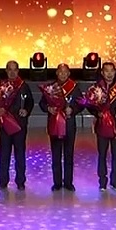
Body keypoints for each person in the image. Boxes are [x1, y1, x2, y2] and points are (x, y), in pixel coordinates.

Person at [38, 63, 82, 191]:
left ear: (69, 74)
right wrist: (48, 108)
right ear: (57, 73)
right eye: (60, 72)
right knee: (56, 155)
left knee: (69, 155)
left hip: (69, 125)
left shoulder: (74, 87)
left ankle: (68, 182)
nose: (63, 74)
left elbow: (81, 103)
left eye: (65, 72)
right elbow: (42, 103)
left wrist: (72, 110)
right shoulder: (51, 88)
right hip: (55, 124)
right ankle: (57, 182)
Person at [0, 60, 36, 191]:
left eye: (15, 70)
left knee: (20, 154)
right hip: (5, 126)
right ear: (6, 71)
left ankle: (20, 181)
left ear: (18, 71)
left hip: (19, 126)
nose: (12, 72)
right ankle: (3, 181)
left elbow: (30, 102)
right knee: (4, 154)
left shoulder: (23, 86)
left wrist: (26, 111)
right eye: (10, 69)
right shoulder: (1, 87)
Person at [90, 61, 116, 192]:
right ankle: (102, 182)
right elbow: (90, 105)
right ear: (102, 72)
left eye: (112, 71)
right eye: (106, 71)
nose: (109, 74)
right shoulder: (97, 87)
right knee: (102, 155)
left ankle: (115, 182)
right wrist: (97, 113)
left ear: (115, 72)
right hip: (102, 126)